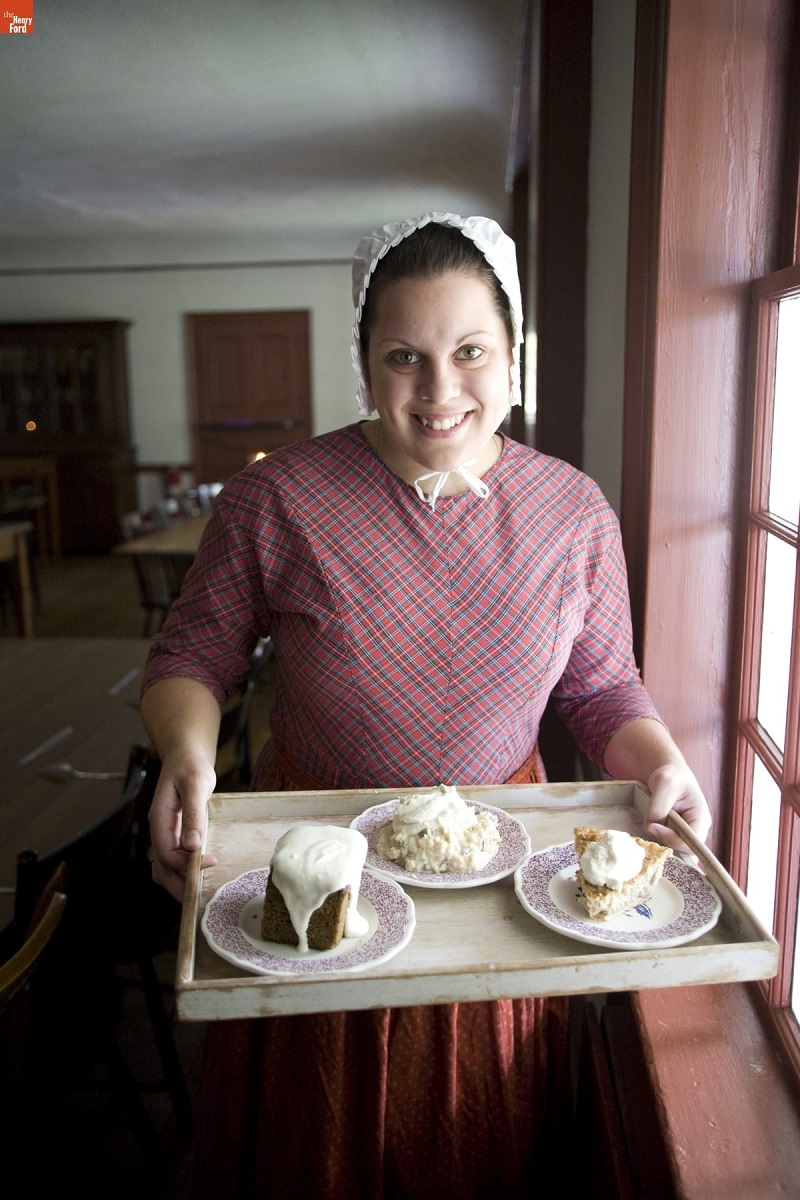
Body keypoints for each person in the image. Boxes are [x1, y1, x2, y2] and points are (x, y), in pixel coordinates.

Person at [141, 211, 712, 1199]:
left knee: (470, 1131)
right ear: (362, 365)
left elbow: (600, 685)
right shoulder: (279, 498)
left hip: (493, 871)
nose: (439, 389)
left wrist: (655, 759)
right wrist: (188, 758)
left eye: (469, 352)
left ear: (511, 355)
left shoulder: (571, 510)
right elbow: (193, 654)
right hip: (315, 859)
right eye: (403, 355)